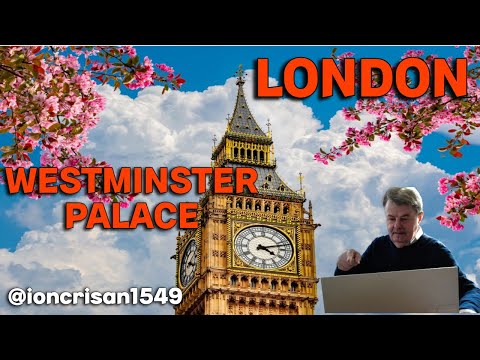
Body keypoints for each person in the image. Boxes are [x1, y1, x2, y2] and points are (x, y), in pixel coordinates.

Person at [335, 186, 480, 313]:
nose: (397, 226)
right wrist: (343, 266)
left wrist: (468, 310)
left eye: (404, 219)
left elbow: (471, 291)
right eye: (391, 218)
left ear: (419, 217)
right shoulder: (378, 247)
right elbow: (349, 289)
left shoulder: (436, 251)